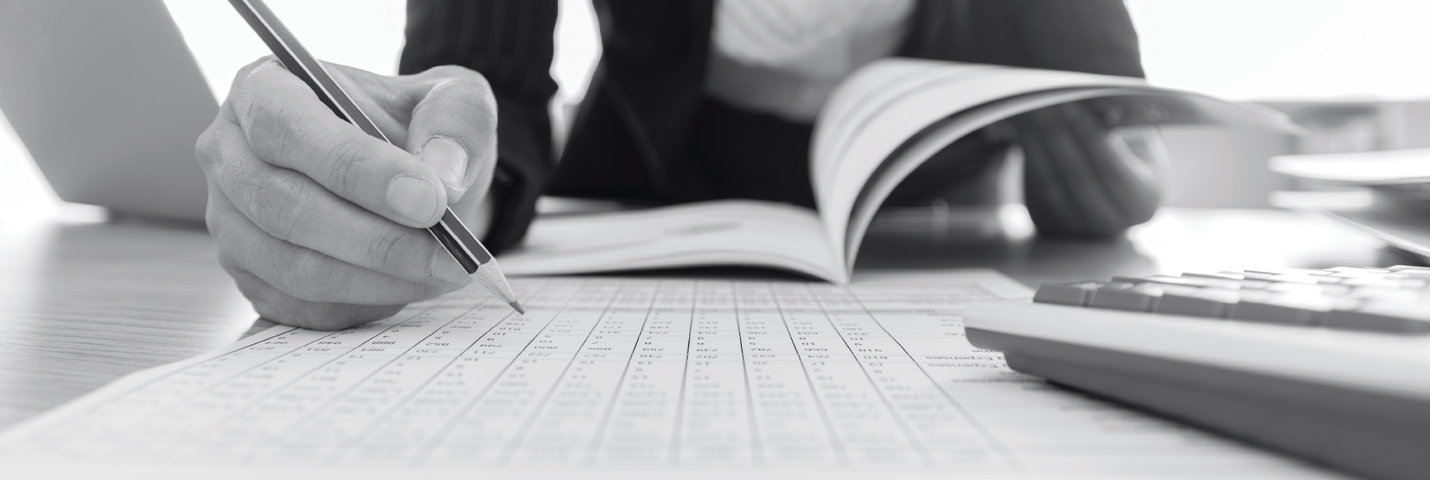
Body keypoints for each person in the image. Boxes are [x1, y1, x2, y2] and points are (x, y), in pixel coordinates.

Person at [196, 0, 1166, 330]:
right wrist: (432, 182)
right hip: (646, 195)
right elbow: (482, 89)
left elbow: (1105, 101)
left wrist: (1114, 189)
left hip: (929, 219)